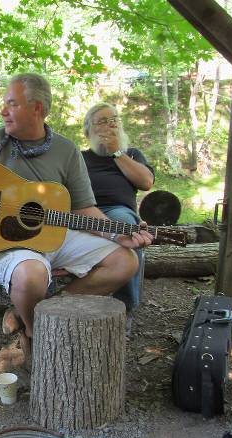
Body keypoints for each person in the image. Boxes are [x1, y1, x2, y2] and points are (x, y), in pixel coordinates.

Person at [0, 73, 153, 340]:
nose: (3, 111)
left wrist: (117, 233)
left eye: (12, 104)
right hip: (1, 242)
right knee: (32, 274)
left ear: (37, 108)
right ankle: (34, 334)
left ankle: (47, 310)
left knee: (125, 261)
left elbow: (84, 210)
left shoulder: (67, 150)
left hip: (54, 234)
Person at [82, 102, 154, 313]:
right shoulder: (79, 158)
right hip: (82, 212)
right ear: (88, 130)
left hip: (117, 211)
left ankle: (125, 307)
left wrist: (116, 152)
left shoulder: (131, 154)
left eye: (114, 120)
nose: (110, 126)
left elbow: (146, 182)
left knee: (125, 225)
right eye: (103, 121)